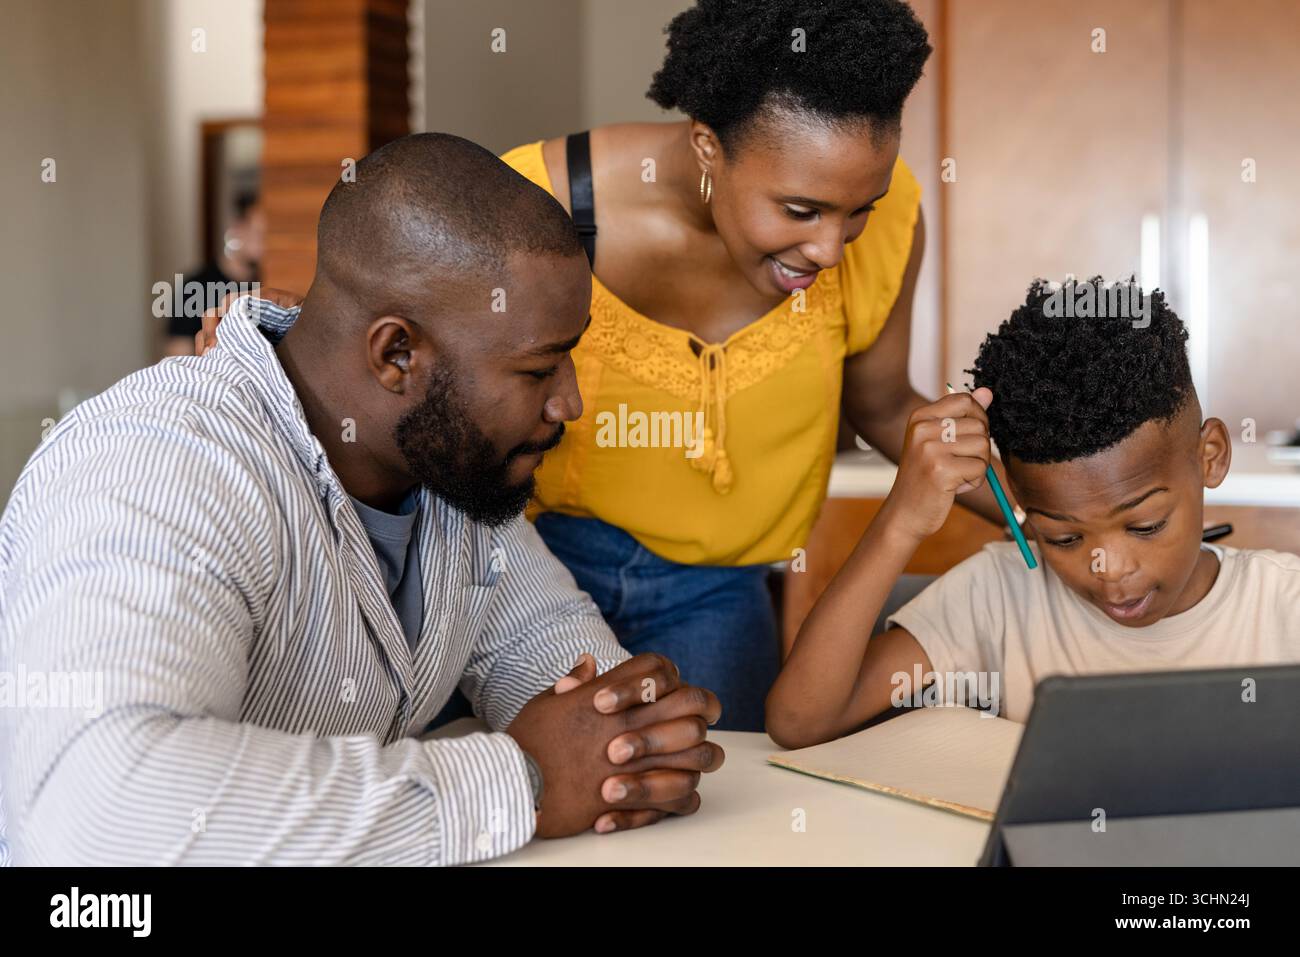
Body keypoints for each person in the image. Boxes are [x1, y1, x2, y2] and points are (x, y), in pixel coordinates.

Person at [0, 133, 724, 866]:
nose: (569, 403)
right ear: (396, 355)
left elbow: (577, 691)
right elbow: (96, 816)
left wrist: (628, 738)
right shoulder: (161, 463)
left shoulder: (453, 469)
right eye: (538, 369)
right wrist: (524, 778)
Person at [496, 0, 1021, 730]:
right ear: (709, 146)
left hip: (718, 594)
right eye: (801, 210)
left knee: (725, 823)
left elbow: (881, 405)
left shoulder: (892, 216)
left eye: (858, 209)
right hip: (531, 574)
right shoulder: (534, 205)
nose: (832, 251)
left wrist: (1049, 511)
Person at [766, 278, 1300, 747]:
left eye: (1145, 526)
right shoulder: (1000, 597)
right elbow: (800, 721)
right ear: (1018, 501)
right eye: (1063, 538)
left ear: (1210, 456)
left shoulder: (1284, 608)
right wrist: (901, 520)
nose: (1109, 570)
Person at [163, 190, 266, 356]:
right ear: (238, 229)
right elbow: (176, 356)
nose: (266, 243)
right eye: (260, 233)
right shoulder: (196, 286)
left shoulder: (269, 286)